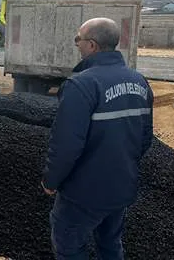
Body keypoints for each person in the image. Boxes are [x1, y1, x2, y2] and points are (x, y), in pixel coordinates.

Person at [41, 17, 153, 260]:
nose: (77, 45)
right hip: (121, 188)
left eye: (77, 40)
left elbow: (66, 145)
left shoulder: (81, 85)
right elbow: (145, 138)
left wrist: (51, 181)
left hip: (83, 194)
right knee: (111, 244)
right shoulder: (139, 82)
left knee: (69, 248)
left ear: (91, 45)